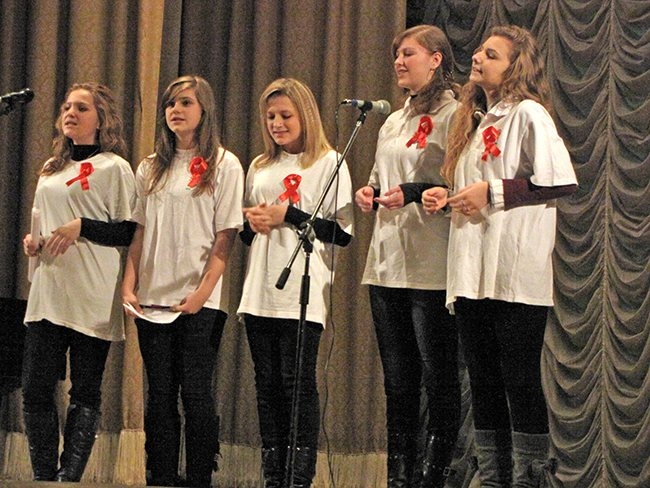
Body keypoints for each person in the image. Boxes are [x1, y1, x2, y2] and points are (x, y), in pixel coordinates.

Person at [422, 25, 578, 487]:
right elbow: (476, 189)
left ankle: (530, 478)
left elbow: (560, 181)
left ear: (515, 67)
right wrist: (448, 197)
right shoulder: (473, 121)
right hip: (473, 271)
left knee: (519, 379)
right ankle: (493, 476)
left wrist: (491, 192)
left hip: (513, 273)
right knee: (484, 380)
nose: (478, 58)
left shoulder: (528, 114)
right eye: (479, 51)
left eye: (491, 54)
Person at [121, 75, 244, 487]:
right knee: (159, 394)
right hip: (153, 299)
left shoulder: (224, 164)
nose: (176, 110)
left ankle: (199, 477)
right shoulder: (150, 167)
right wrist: (129, 284)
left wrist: (202, 294)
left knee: (195, 392)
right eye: (171, 104)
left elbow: (225, 237)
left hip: (198, 300)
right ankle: (160, 476)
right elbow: (140, 230)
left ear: (204, 109)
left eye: (186, 102)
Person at [355, 25, 461, 488]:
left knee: (438, 378)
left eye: (408, 53)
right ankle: (399, 477)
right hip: (386, 263)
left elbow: (459, 183)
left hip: (431, 264)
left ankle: (433, 477)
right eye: (396, 54)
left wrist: (415, 192)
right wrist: (369, 191)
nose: (398, 61)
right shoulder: (393, 119)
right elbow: (380, 176)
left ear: (436, 59)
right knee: (397, 381)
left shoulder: (456, 114)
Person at [238, 77, 353, 488]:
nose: (277, 124)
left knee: (296, 383)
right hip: (260, 289)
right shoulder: (260, 166)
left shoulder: (328, 163)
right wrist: (252, 223)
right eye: (270, 116)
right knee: (266, 385)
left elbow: (341, 232)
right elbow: (247, 234)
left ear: (305, 115)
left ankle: (298, 477)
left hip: (303, 289)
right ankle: (274, 475)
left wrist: (289, 215)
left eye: (286, 115)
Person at [21, 82, 136, 482]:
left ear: (101, 119)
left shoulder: (114, 167)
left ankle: (69, 479)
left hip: (91, 292)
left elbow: (127, 230)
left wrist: (82, 226)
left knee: (84, 389)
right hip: (49, 290)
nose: (70, 113)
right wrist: (35, 242)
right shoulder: (52, 168)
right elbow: (45, 221)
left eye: (82, 108)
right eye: (67, 107)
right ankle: (43, 476)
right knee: (35, 387)